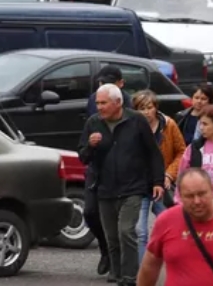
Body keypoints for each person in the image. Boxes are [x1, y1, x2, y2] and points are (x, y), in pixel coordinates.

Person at [78, 84, 164, 286]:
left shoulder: (136, 121)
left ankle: (130, 278)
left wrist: (158, 181)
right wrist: (90, 145)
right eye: (97, 103)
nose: (99, 107)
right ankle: (116, 274)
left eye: (103, 103)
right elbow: (83, 156)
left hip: (133, 188)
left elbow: (153, 153)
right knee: (112, 238)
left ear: (118, 103)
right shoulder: (93, 123)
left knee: (126, 231)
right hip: (105, 189)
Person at [83, 66, 132, 277]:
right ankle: (105, 250)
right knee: (90, 212)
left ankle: (121, 267)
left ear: (121, 84)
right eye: (100, 84)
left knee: (122, 225)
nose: (99, 103)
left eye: (108, 83)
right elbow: (88, 133)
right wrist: (90, 144)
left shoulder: (127, 104)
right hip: (98, 168)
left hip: (123, 172)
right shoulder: (94, 103)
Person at [133, 90, 185, 263]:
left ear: (156, 108)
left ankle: (177, 266)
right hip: (139, 185)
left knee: (172, 227)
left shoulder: (168, 125)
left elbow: (181, 151)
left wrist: (169, 175)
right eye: (141, 108)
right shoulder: (131, 126)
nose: (146, 112)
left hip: (162, 185)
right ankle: (141, 275)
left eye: (149, 107)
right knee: (140, 231)